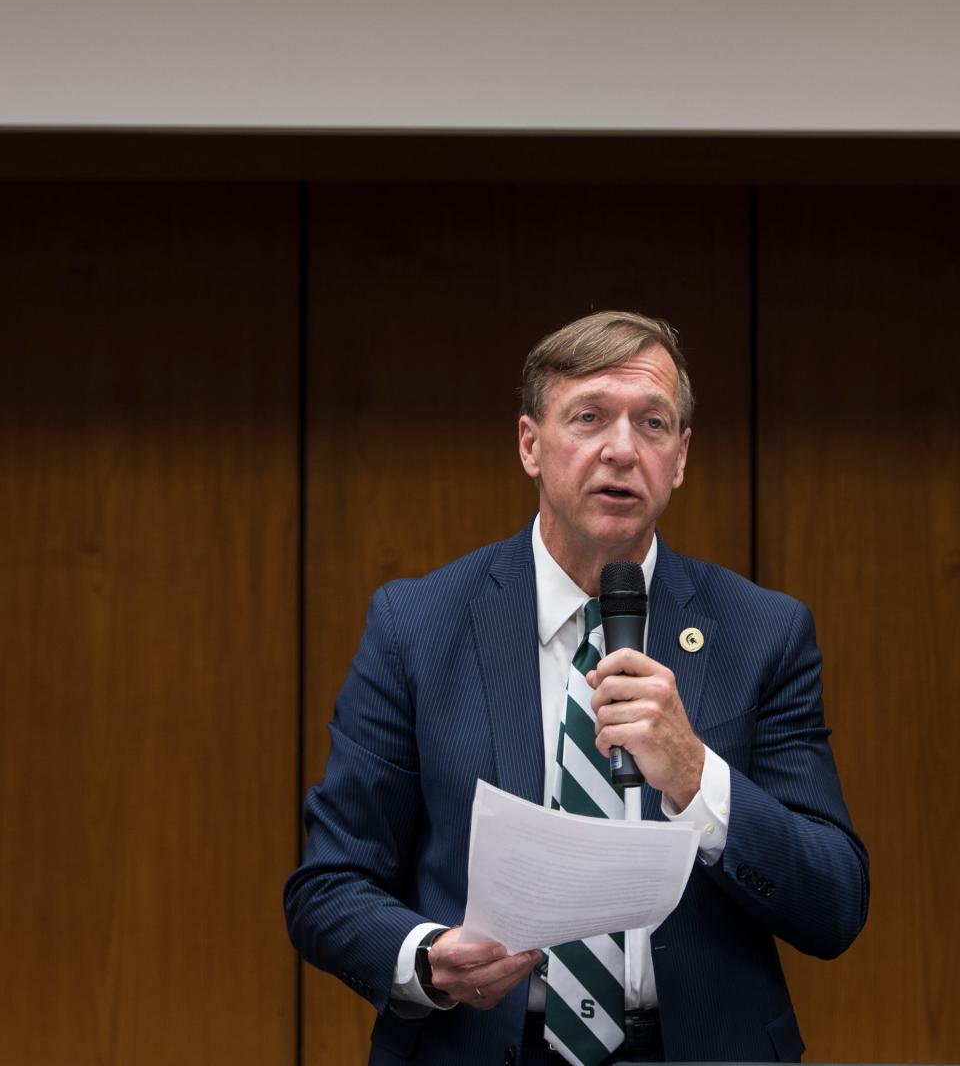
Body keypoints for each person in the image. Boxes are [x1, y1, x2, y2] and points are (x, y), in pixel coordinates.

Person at [284, 311, 868, 1064]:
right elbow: (329, 884)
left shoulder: (763, 633)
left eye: (652, 423)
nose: (622, 449)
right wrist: (425, 956)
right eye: (589, 416)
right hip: (485, 1043)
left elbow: (836, 902)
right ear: (530, 442)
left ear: (681, 456)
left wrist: (698, 777)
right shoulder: (418, 626)